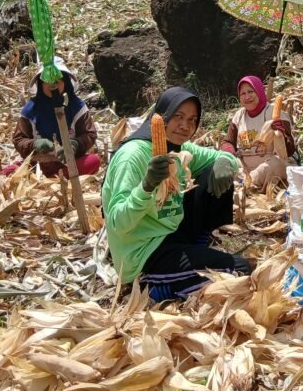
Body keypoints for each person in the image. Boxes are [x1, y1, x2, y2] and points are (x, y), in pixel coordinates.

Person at [102, 87, 248, 302]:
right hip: (143, 252)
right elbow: (117, 223)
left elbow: (222, 157)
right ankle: (151, 288)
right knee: (240, 272)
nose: (185, 126)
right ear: (162, 117)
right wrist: (146, 186)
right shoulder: (132, 156)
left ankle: (195, 249)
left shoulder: (179, 148)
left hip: (172, 234)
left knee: (214, 172)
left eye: (192, 119)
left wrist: (226, 161)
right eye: (178, 117)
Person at [3, 58, 101, 178]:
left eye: (58, 80)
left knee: (93, 161)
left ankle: (59, 177)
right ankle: (47, 178)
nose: (53, 85)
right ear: (40, 83)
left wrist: (74, 144)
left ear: (65, 82)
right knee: (7, 174)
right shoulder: (30, 110)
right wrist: (34, 144)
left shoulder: (77, 107)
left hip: (69, 163)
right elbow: (19, 139)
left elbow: (89, 134)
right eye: (47, 81)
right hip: (38, 165)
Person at [220, 75, 296, 191]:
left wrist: (281, 134)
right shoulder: (239, 116)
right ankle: (246, 183)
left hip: (269, 166)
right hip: (245, 167)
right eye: (243, 94)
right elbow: (228, 142)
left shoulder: (275, 113)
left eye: (251, 92)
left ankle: (245, 184)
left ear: (259, 92)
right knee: (223, 162)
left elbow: (289, 151)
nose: (247, 97)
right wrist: (230, 153)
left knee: (276, 164)